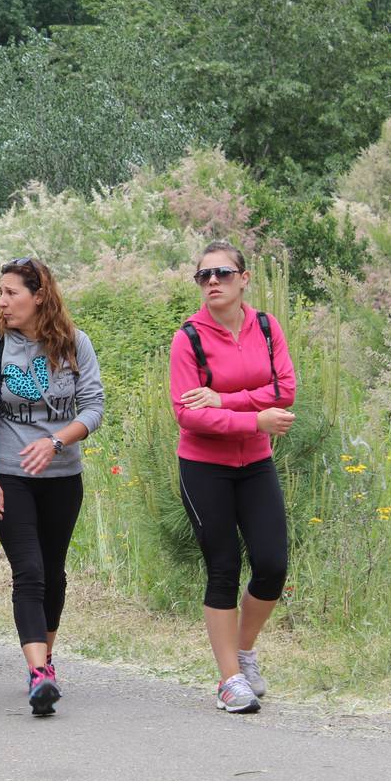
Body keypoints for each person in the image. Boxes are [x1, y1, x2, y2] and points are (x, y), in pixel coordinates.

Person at [169, 242, 296, 714]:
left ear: (244, 278)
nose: (213, 282)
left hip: (255, 464)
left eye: (222, 273)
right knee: (222, 569)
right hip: (204, 467)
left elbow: (285, 389)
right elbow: (187, 414)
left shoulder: (266, 326)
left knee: (271, 565)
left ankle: (243, 653)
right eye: (203, 276)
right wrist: (255, 418)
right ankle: (229, 680)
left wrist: (224, 401)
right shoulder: (189, 338)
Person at [0, 257, 104, 717]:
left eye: (12, 292)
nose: (2, 302)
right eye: (1, 293)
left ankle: (45, 660)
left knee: (53, 571)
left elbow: (93, 409)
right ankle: (37, 673)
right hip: (10, 474)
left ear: (39, 295)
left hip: (63, 476)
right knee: (28, 571)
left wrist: (56, 440)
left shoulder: (74, 345)